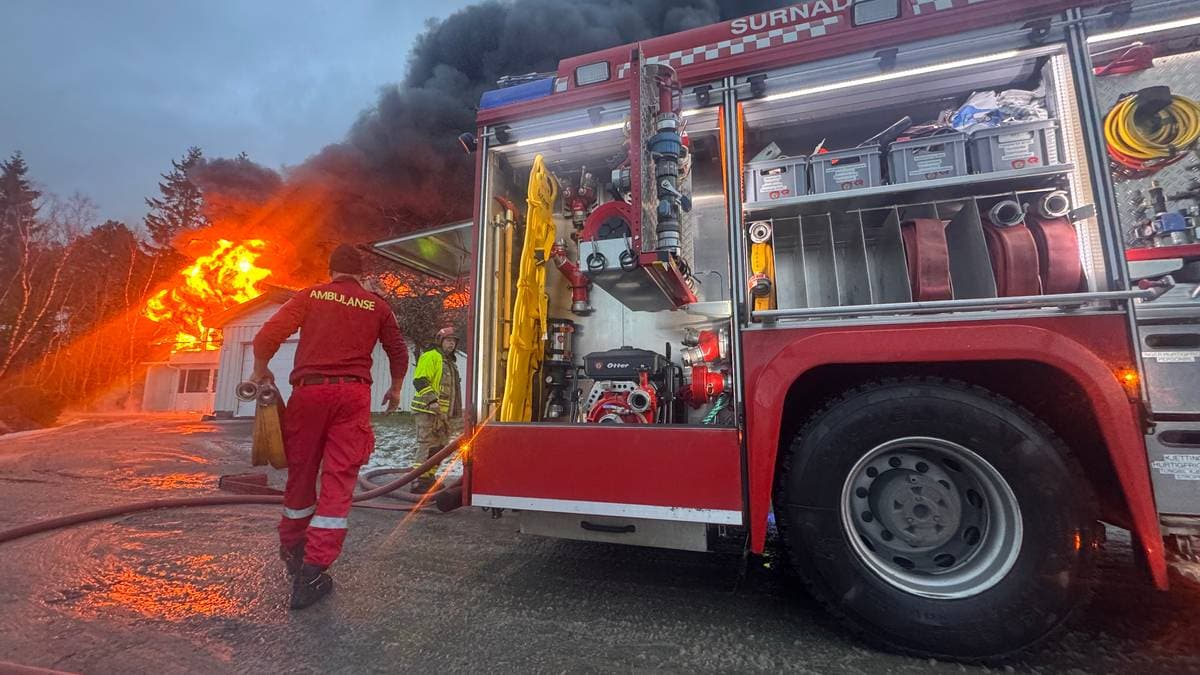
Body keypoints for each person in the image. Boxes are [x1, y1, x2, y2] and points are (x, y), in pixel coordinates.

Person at [250, 244, 408, 610]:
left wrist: (261, 368)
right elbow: (398, 351)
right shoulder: (377, 305)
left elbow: (266, 336)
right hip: (352, 396)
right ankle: (314, 571)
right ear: (361, 272)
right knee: (339, 479)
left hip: (308, 392)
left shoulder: (311, 296)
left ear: (331, 269)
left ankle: (292, 546)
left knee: (302, 472)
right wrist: (396, 388)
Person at [410, 326, 461, 493]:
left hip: (443, 414)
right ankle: (418, 480)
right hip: (427, 410)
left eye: (453, 341)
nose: (451, 344)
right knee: (426, 444)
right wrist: (432, 400)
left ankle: (429, 477)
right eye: (448, 341)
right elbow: (419, 380)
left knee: (440, 446)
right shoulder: (431, 356)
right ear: (440, 341)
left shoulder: (449, 362)